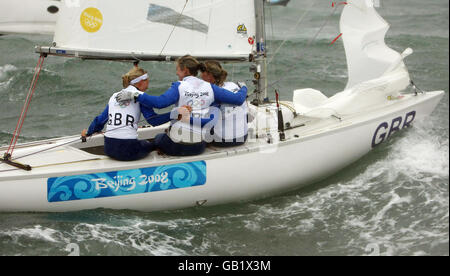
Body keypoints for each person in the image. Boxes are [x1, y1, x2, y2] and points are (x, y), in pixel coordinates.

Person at [116, 55, 247, 156]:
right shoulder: (211, 88)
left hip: (178, 145)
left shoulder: (179, 86)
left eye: (178, 70)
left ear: (185, 70)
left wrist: (136, 95)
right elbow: (238, 99)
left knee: (158, 138)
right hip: (199, 146)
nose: (177, 73)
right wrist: (243, 87)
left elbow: (159, 103)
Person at [81, 66, 173, 161]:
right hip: (129, 151)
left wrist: (88, 132)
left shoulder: (114, 96)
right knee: (156, 141)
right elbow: (154, 120)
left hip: (109, 148)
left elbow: (100, 121)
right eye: (148, 80)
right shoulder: (140, 97)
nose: (149, 83)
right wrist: (174, 115)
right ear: (141, 81)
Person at [200, 60, 248, 147]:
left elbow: (207, 120)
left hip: (222, 140)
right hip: (243, 136)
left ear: (209, 75)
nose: (200, 76)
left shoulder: (211, 91)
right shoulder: (234, 85)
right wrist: (244, 87)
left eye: (202, 73)